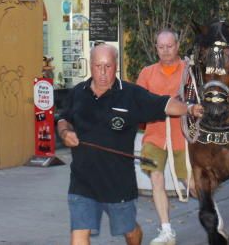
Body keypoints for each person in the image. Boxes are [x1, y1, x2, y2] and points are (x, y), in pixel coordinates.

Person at [57, 44, 204, 245]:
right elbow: (63, 118)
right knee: (79, 235)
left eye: (107, 66)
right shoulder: (77, 93)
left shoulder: (131, 94)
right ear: (90, 66)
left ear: (115, 66)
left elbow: (163, 104)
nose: (102, 72)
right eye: (98, 66)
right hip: (82, 183)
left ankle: (134, 233)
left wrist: (189, 108)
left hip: (119, 185)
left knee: (130, 233)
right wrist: (65, 132)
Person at [136, 30, 188, 245]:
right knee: (156, 178)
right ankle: (166, 230)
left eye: (169, 46)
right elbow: (138, 103)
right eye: (161, 47)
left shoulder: (189, 71)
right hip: (155, 134)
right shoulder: (147, 73)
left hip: (182, 135)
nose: (165, 51)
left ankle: (214, 218)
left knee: (191, 182)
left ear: (177, 45)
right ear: (156, 48)